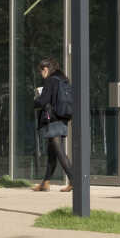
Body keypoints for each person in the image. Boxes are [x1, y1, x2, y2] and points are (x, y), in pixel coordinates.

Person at [32, 58, 75, 192]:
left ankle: (74, 181)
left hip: (53, 119)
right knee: (53, 152)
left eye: (41, 71)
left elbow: (43, 101)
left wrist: (36, 99)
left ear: (45, 69)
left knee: (59, 151)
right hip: (62, 117)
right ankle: (45, 183)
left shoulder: (50, 80)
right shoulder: (63, 80)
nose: (41, 74)